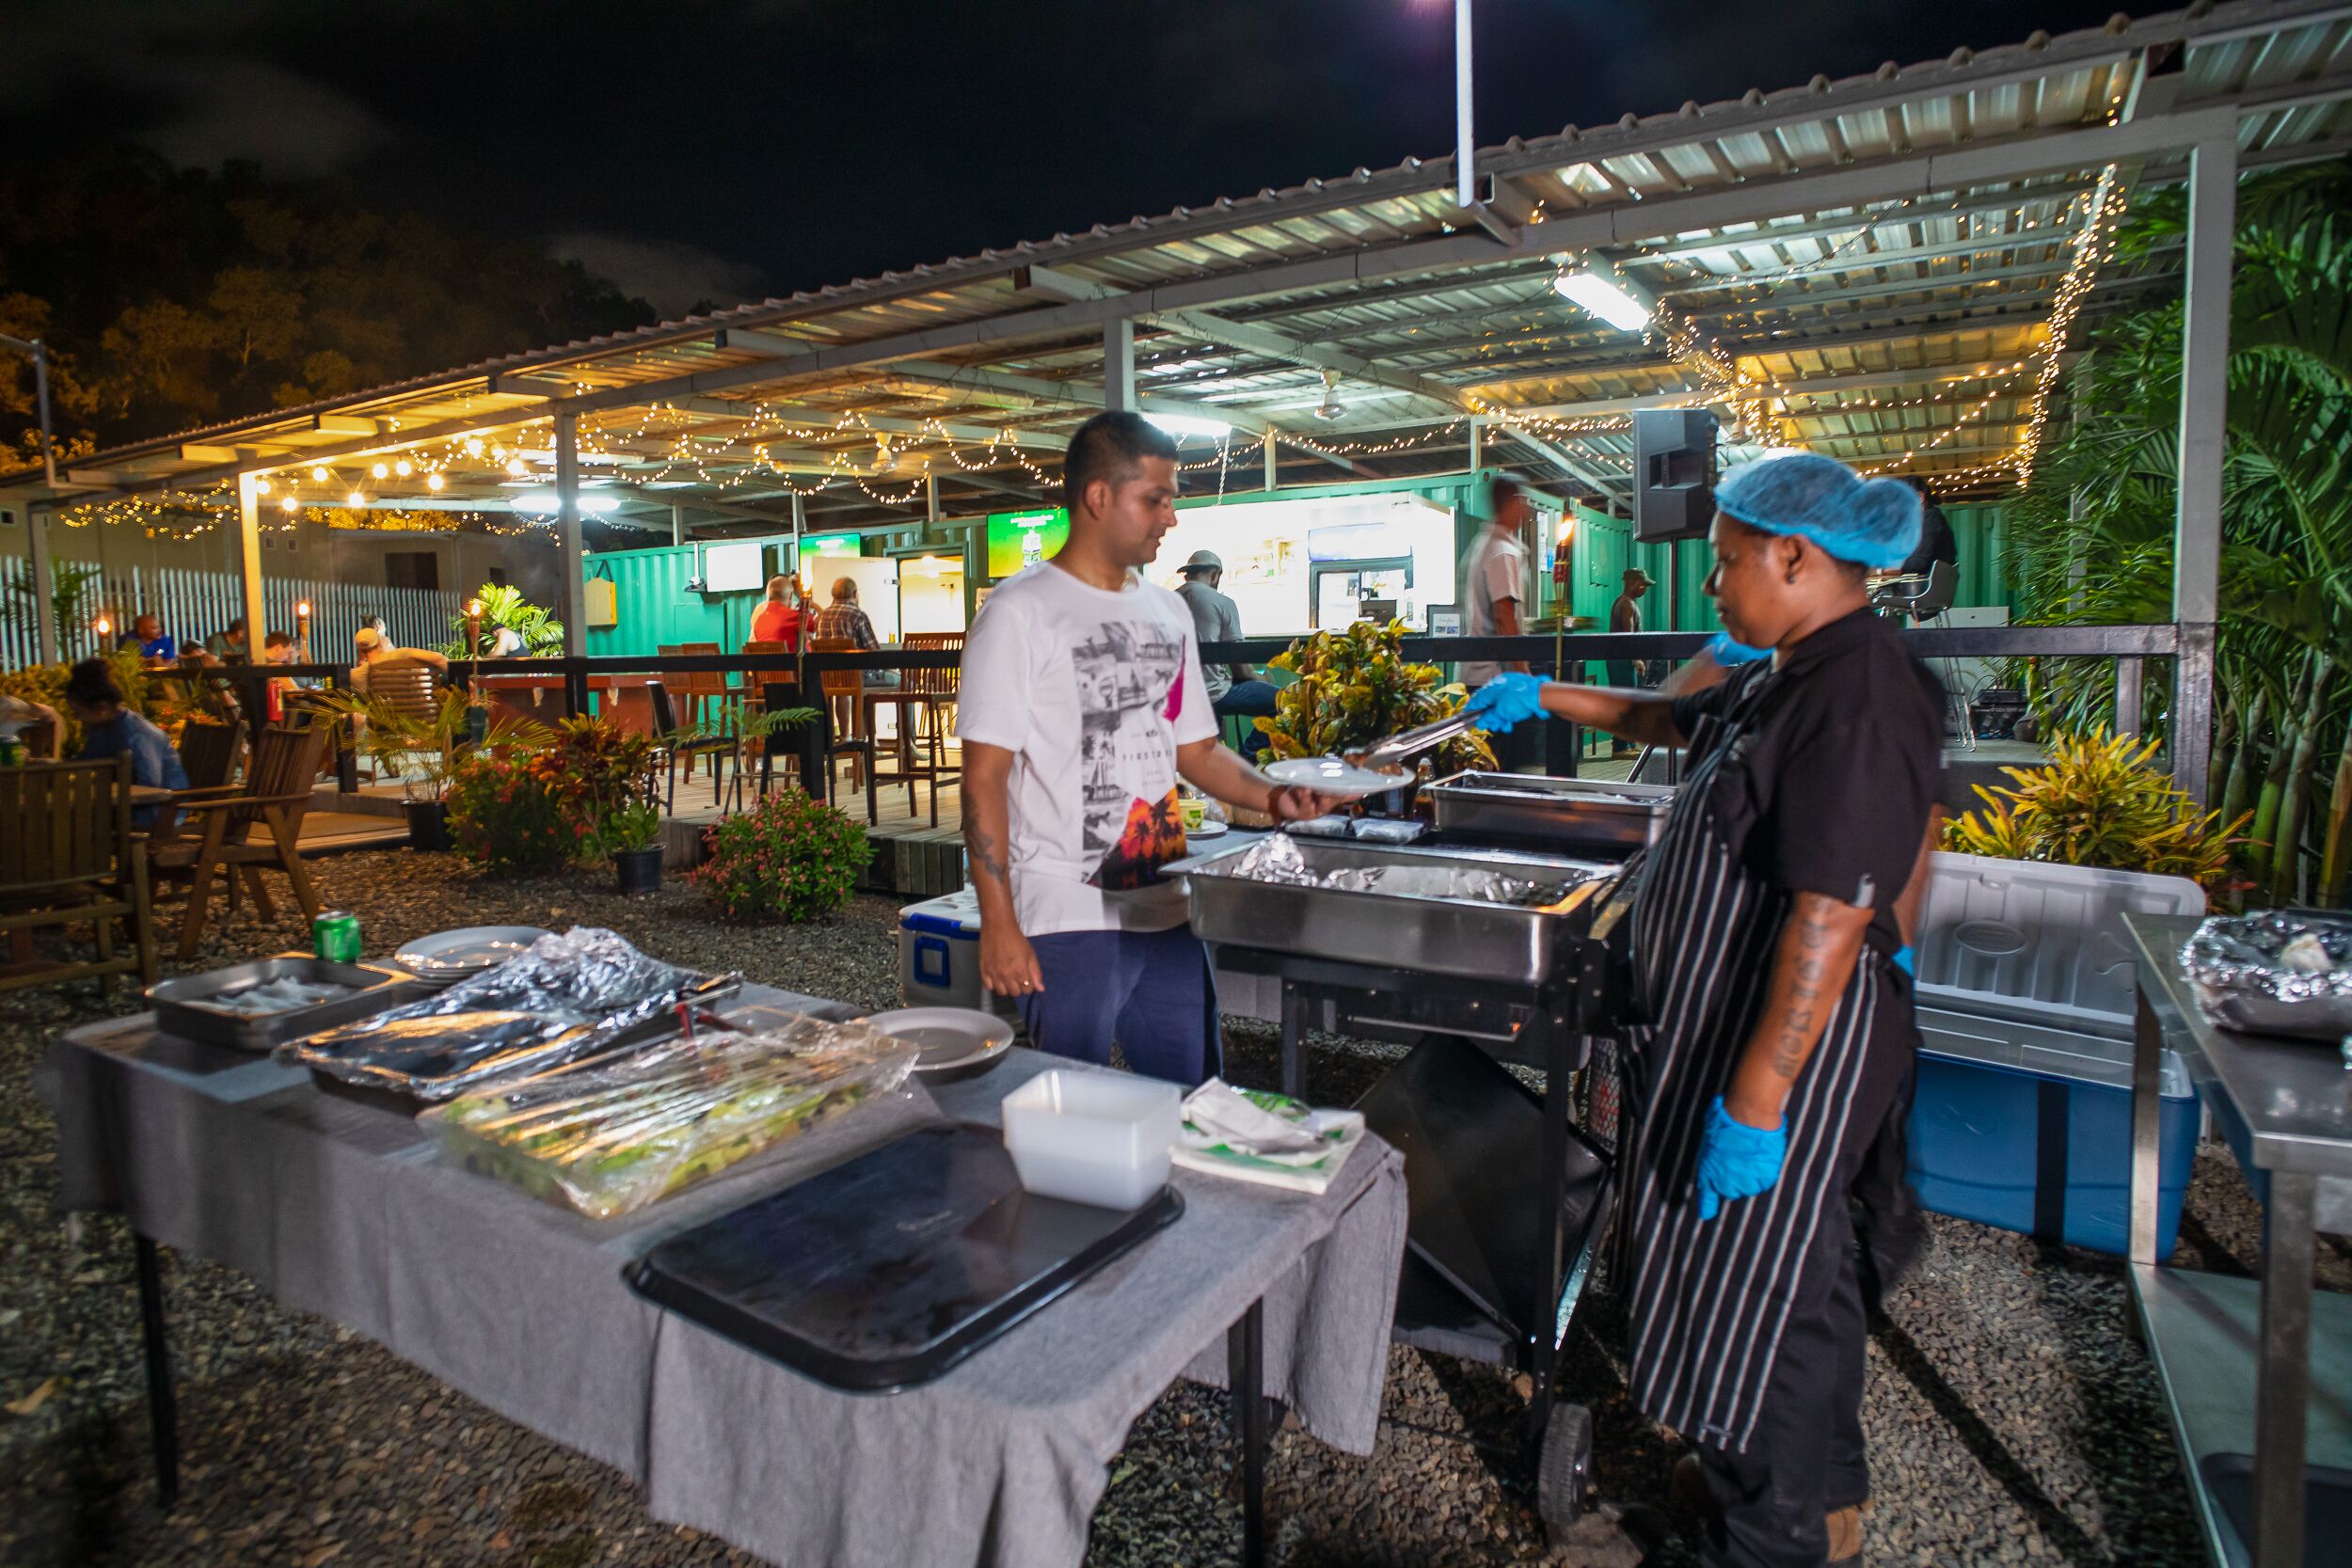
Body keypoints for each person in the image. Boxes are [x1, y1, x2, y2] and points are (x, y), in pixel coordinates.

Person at [1465, 451, 1941, 1568]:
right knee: (1807, 1274)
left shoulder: (1857, 694)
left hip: (1784, 1052)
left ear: (1796, 554)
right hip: (1740, 1032)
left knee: (1755, 1289)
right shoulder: (1797, 665)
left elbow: (1826, 918)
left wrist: (1758, 1099)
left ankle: (1758, 1538)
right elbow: (1676, 723)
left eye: (1727, 563)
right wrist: (1547, 694)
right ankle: (1812, 1492)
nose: (1713, 586)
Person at [957, 412, 1340, 1086]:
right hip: (1065, 912)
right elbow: (984, 780)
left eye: (1172, 499)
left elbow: (1197, 751)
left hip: (1164, 903)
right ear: (1099, 498)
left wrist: (1276, 796)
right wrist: (1000, 923)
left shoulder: (1168, 613)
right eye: (1155, 498)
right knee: (1067, 1110)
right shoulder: (1019, 612)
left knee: (1191, 1102)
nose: (1171, 518)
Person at [1459, 472, 1535, 768]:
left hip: (1477, 677)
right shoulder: (1503, 551)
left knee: (1484, 761)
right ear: (1514, 503)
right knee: (1499, 764)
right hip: (1495, 678)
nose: (1527, 509)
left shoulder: (1482, 544)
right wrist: (1524, 675)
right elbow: (1505, 616)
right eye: (1524, 501)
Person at [1173, 550, 1275, 759]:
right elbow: (1240, 668)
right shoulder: (1222, 603)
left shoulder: (1167, 600)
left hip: (1176, 696)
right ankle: (1246, 761)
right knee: (1281, 702)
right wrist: (1262, 678)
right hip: (1213, 693)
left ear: (1187, 575)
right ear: (1215, 574)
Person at [64, 658, 189, 828]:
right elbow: (87, 760)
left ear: (101, 708)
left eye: (79, 712)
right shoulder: (101, 728)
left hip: (161, 812)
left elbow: (150, 784)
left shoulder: (137, 733)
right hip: (130, 805)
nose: (77, 718)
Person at [808, 578, 899, 689]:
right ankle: (865, 706)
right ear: (855, 594)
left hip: (828, 676)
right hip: (856, 677)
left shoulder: (821, 617)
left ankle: (839, 707)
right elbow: (874, 652)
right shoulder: (858, 615)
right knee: (900, 679)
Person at [1895, 477, 1958, 584]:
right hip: (1921, 585)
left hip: (1923, 589)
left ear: (1920, 497)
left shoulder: (1930, 519)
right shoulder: (1922, 521)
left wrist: (1880, 570)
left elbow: (1918, 563)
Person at [1608, 566, 1657, 688]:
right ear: (1633, 583)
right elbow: (1628, 635)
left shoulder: (1619, 601)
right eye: (1643, 585)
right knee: (1626, 698)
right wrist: (1636, 659)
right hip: (1623, 661)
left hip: (1617, 659)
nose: (1644, 589)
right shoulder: (1628, 604)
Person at [751, 575, 803, 650]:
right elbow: (816, 625)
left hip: (762, 659)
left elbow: (753, 641)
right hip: (789, 660)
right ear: (791, 595)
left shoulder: (760, 617)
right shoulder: (791, 614)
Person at [262, 630, 298, 722]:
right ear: (278, 647)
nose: (286, 658)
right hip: (282, 718)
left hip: (260, 714)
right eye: (286, 652)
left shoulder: (255, 663)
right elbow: (294, 695)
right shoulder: (275, 667)